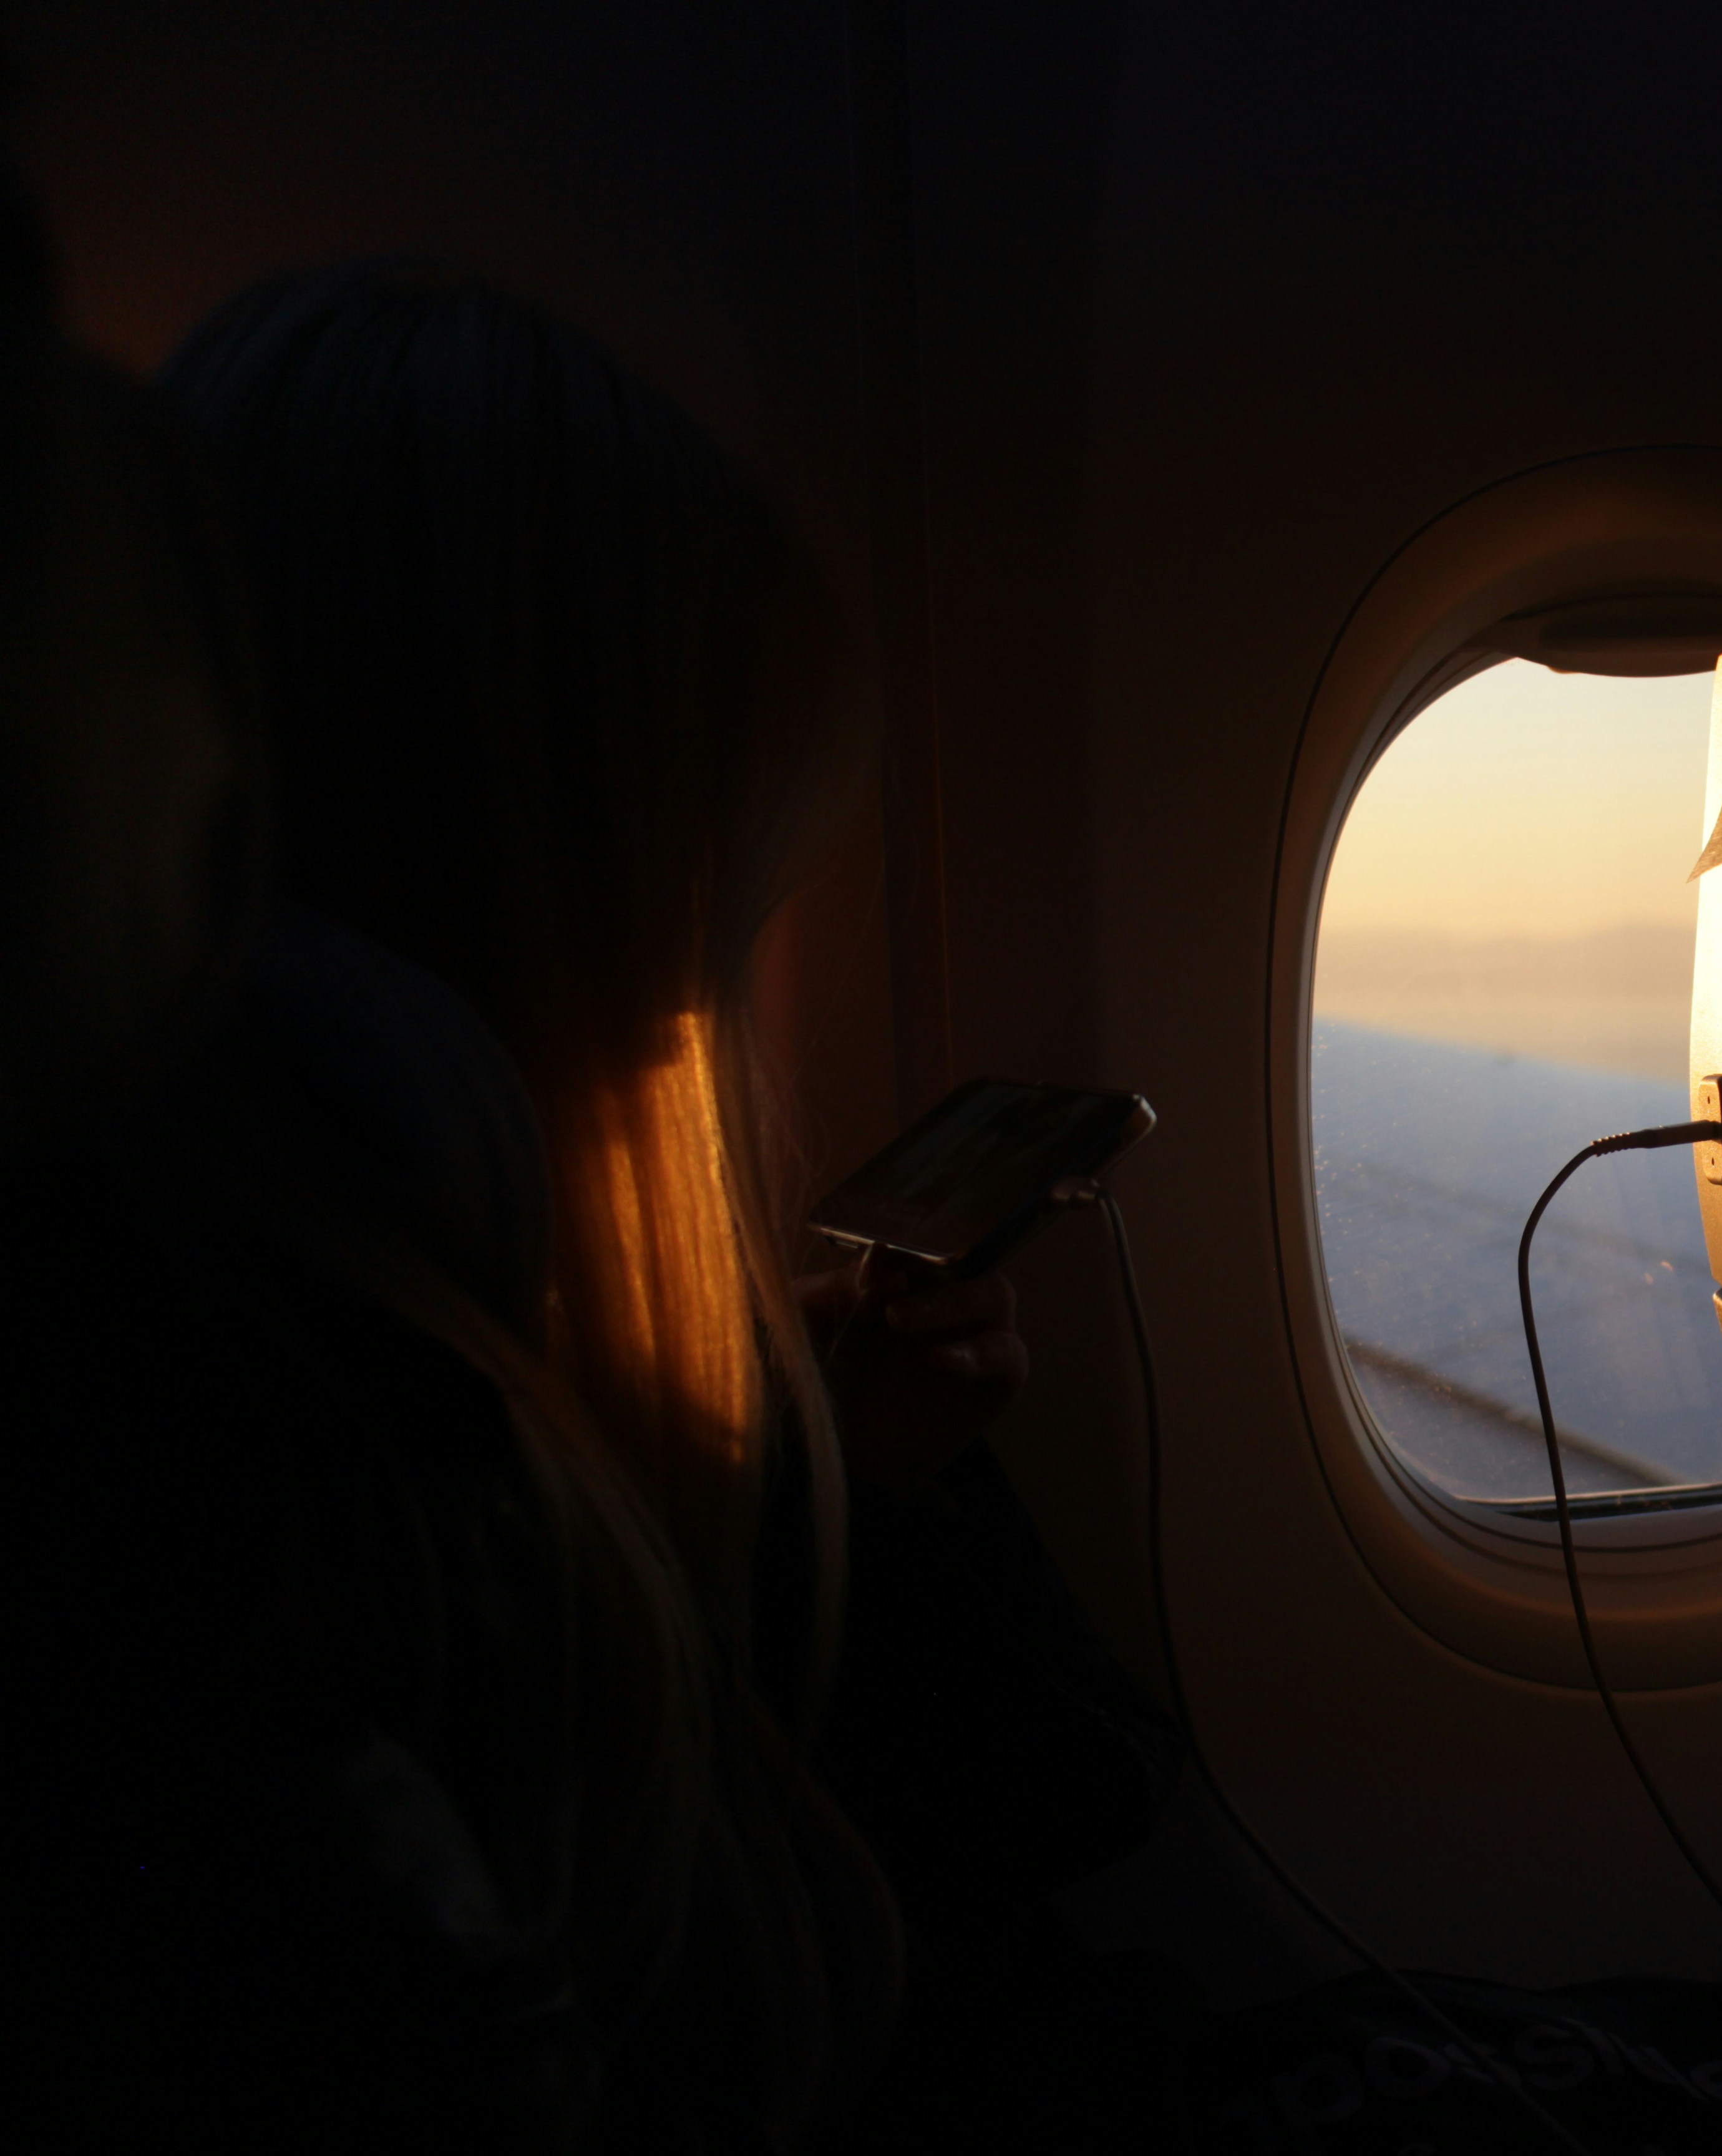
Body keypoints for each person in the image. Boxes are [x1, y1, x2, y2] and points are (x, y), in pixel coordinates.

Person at [44, 259, 1177, 2149]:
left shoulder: (404, 1357)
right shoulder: (310, 1474)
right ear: (507, 873)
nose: (689, 1009)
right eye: (692, 909)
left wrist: (851, 1482)